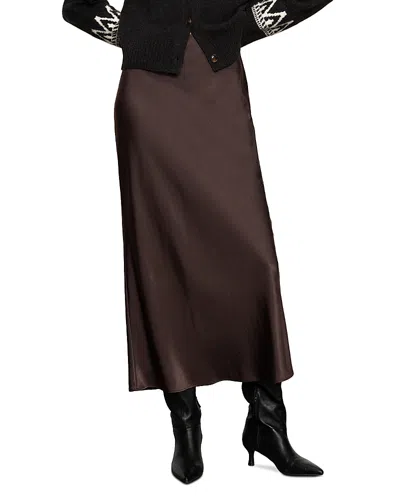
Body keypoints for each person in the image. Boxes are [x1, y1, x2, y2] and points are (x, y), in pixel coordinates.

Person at [62, 0, 333, 484]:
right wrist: (136, 36)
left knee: (254, 260)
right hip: (149, 97)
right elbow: (76, 6)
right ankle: (185, 424)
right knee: (162, 257)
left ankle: (268, 423)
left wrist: (245, 25)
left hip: (218, 84)